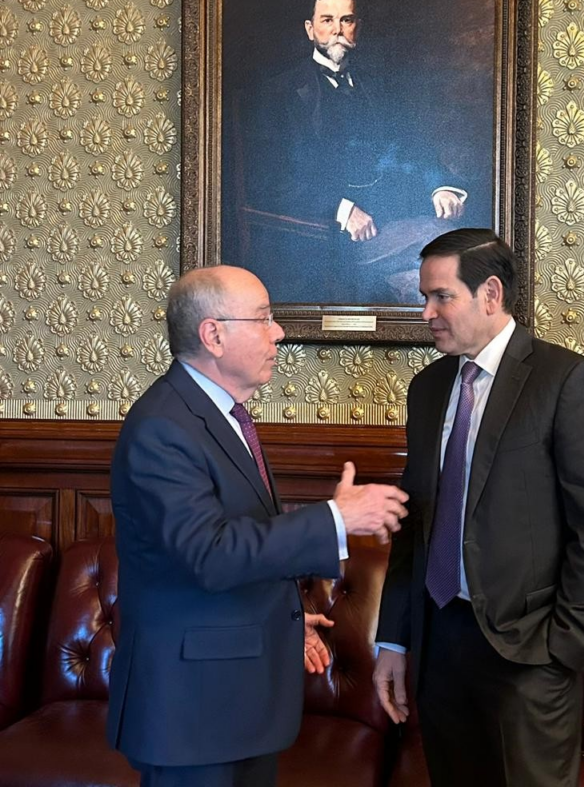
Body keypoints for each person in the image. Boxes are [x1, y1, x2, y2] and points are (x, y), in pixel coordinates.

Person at [106, 264, 409, 787]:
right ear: (214, 335)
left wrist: (281, 620)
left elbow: (235, 548)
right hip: (192, 712)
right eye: (264, 318)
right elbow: (210, 554)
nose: (279, 332)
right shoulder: (162, 427)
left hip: (231, 704)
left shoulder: (219, 414)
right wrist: (337, 517)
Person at [373, 229, 584, 787]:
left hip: (530, 653)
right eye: (425, 297)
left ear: (490, 294)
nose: (426, 313)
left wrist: (563, 649)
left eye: (442, 296)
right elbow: (415, 523)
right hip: (439, 644)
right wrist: (394, 639)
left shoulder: (566, 381)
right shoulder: (428, 388)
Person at [221, 0, 474, 304]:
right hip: (318, 237)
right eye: (327, 20)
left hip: (388, 221)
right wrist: (341, 209)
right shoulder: (278, 93)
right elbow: (268, 181)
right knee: (447, 248)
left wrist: (441, 187)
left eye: (347, 20)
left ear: (358, 28)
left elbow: (413, 147)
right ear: (310, 29)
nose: (338, 30)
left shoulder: (377, 86)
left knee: (454, 261)